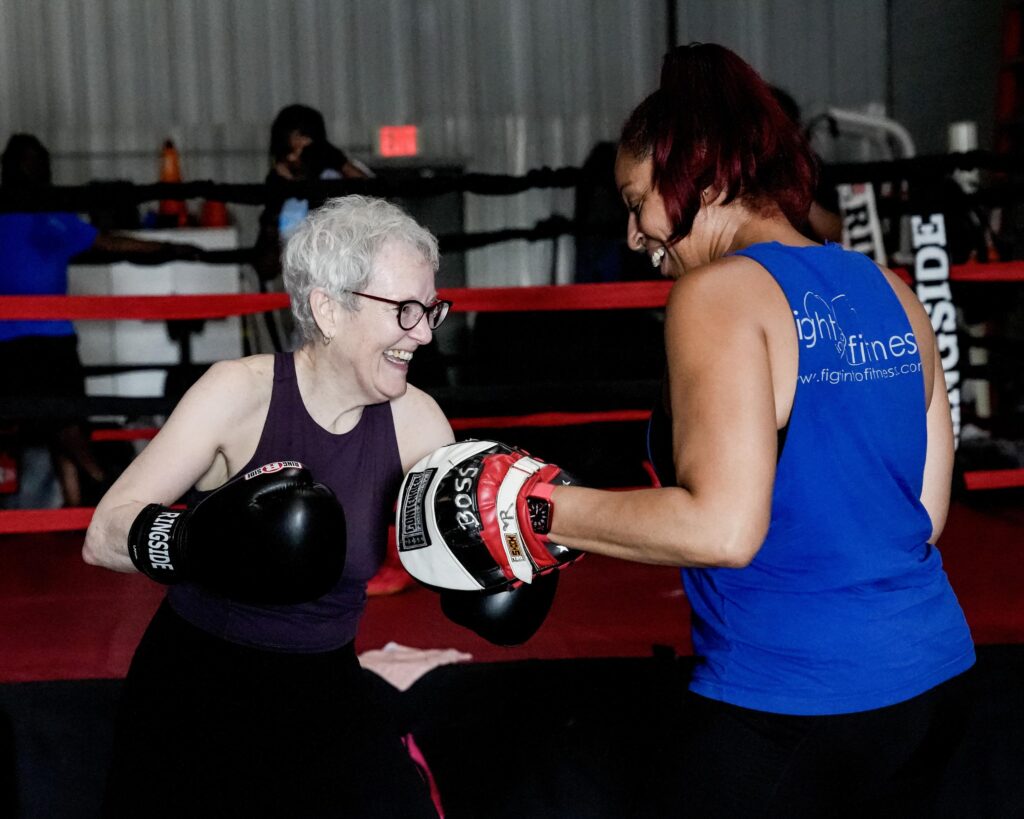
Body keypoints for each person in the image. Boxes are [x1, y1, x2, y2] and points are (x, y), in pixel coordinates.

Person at [411, 44, 975, 816]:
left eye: (638, 200)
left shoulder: (718, 293)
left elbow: (722, 529)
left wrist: (531, 505)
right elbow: (927, 515)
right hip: (933, 682)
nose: (637, 235)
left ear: (702, 179)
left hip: (793, 698)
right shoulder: (893, 290)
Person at [83, 195, 453, 817]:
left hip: (324, 684)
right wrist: (204, 542)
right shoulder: (239, 393)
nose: (421, 333)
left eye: (431, 310)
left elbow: (457, 550)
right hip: (197, 685)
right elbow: (105, 532)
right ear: (327, 309)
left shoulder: (418, 421)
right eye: (405, 310)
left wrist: (507, 557)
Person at [0, 133, 202, 507]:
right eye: (35, 162)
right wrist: (169, 248)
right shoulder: (42, 217)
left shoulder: (50, 216)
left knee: (65, 418)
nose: (43, 170)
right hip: (26, 338)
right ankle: (108, 485)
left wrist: (167, 247)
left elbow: (105, 241)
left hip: (49, 335)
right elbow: (108, 242)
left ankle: (77, 507)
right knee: (62, 422)